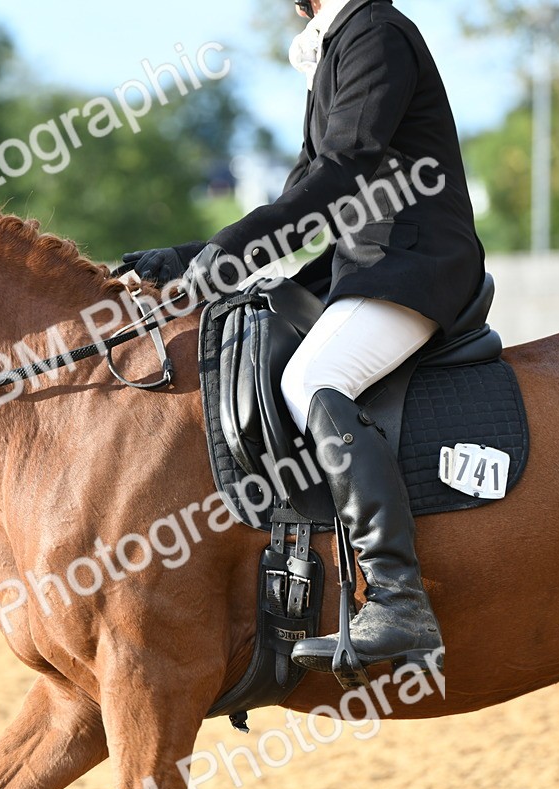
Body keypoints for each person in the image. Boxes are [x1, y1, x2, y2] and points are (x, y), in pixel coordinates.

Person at [121, 0, 488, 675]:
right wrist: (192, 254)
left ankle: (398, 596)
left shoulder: (376, 32)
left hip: (412, 264)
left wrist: (234, 246)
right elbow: (304, 190)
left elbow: (344, 170)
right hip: (365, 266)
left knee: (312, 380)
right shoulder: (338, 44)